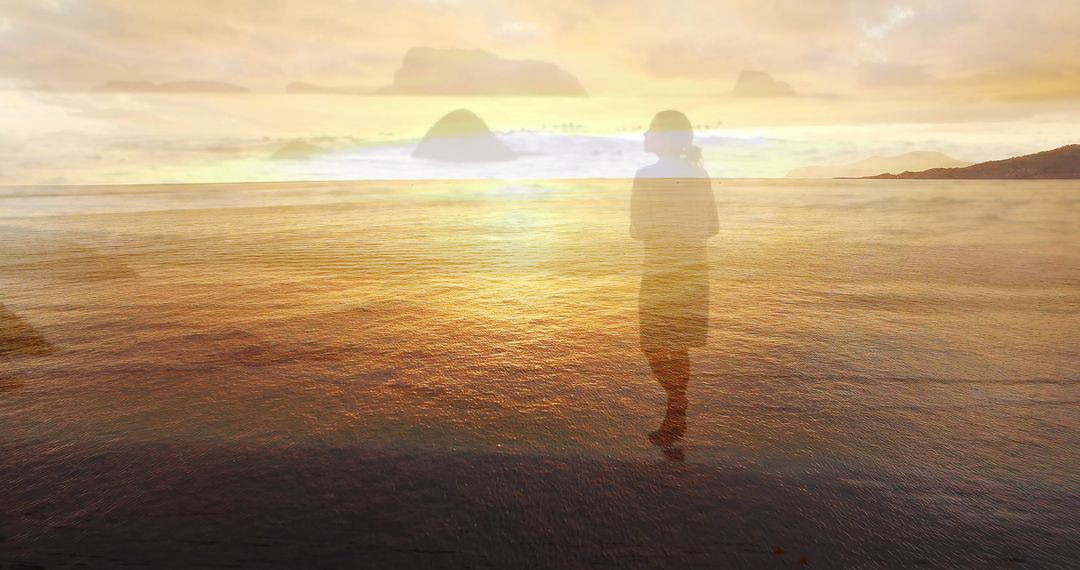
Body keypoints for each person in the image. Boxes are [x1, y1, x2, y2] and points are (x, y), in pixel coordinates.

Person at [630, 110, 718, 456]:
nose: (643, 137)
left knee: (652, 344)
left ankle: (676, 407)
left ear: (664, 137)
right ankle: (677, 408)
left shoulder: (646, 175)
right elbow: (713, 227)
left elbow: (639, 230)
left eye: (649, 130)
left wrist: (661, 231)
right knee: (678, 344)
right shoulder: (700, 173)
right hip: (695, 269)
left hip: (660, 270)